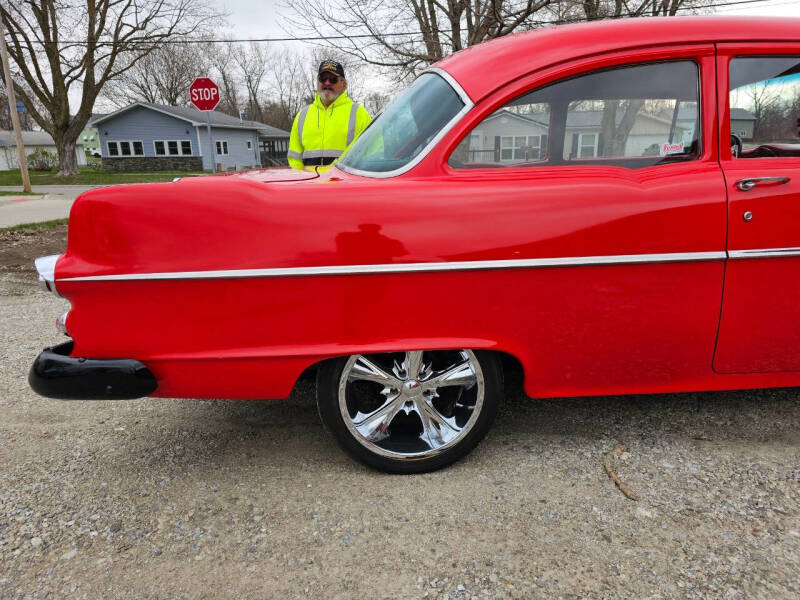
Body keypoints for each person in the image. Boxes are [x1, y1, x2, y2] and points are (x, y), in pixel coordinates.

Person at [287, 60, 372, 172]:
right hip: (311, 186)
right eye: (323, 79)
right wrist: (302, 182)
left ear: (344, 85)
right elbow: (294, 159)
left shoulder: (359, 113)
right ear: (317, 82)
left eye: (333, 79)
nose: (327, 83)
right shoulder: (302, 115)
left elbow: (373, 155)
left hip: (345, 186)